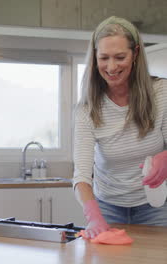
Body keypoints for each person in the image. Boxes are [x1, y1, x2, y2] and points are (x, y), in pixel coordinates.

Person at [73, 16, 167, 239]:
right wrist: (93, 215)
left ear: (135, 54)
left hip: (154, 206)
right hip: (108, 208)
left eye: (120, 57)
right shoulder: (87, 108)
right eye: (103, 58)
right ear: (95, 58)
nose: (111, 67)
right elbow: (82, 177)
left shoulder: (161, 94)